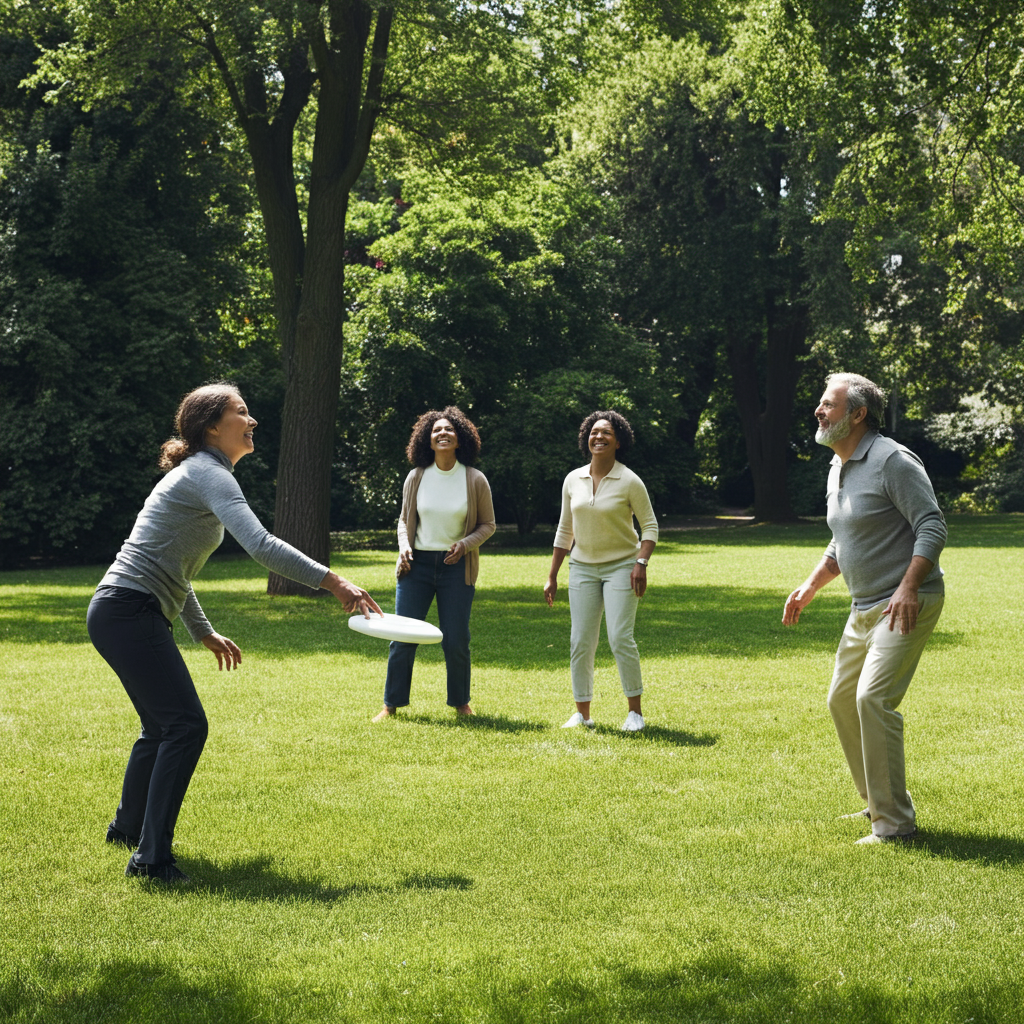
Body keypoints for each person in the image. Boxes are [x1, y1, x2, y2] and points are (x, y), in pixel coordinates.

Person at [87, 382, 382, 883]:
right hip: (129, 611)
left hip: (122, 611)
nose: (252, 421)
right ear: (210, 428)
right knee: (184, 727)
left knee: (162, 727)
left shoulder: (200, 474)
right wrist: (334, 580)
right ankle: (151, 859)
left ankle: (127, 830)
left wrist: (202, 632)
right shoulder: (207, 472)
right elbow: (261, 545)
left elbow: (173, 569)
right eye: (241, 413)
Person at [783, 373, 946, 845]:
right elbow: (843, 538)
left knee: (872, 700)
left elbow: (932, 526)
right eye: (820, 403)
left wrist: (909, 587)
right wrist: (811, 585)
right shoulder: (839, 465)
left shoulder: (892, 461)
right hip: (863, 605)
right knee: (840, 699)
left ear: (857, 414)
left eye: (829, 405)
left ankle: (894, 824)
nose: (819, 411)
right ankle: (877, 802)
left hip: (906, 601)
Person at [372, 407, 495, 721]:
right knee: (403, 637)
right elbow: (403, 521)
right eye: (437, 430)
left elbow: (488, 525)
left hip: (457, 567)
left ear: (459, 440)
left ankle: (461, 702)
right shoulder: (416, 477)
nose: (443, 433)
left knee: (456, 639)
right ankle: (391, 704)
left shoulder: (474, 479)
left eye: (449, 430)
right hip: (416, 568)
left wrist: (465, 544)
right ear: (427, 440)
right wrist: (403, 547)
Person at [544, 410, 659, 732]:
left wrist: (641, 563)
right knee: (581, 640)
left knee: (620, 637)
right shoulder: (573, 479)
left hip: (622, 566)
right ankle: (583, 713)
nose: (599, 437)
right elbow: (565, 530)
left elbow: (650, 527)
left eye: (606, 433)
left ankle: (634, 713)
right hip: (581, 568)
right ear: (586, 438)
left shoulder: (629, 480)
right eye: (594, 432)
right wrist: (552, 575)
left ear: (618, 441)